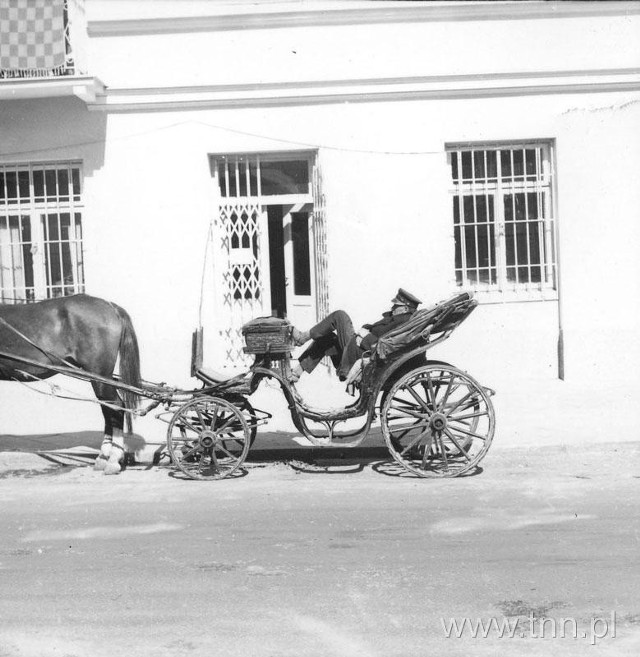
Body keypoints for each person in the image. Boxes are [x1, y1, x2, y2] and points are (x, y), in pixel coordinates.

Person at [288, 288, 422, 382]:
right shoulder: (399, 318)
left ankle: (302, 338)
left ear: (405, 308)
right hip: (359, 349)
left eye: (396, 306)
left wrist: (364, 337)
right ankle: (297, 372)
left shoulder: (402, 321)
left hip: (364, 353)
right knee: (327, 338)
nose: (392, 308)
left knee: (340, 316)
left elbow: (387, 346)